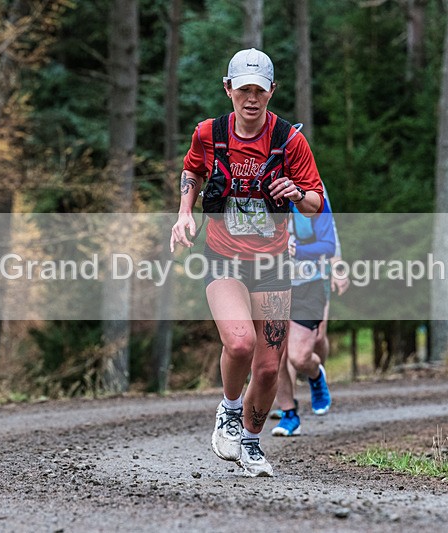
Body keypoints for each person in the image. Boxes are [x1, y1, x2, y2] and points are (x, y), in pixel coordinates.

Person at [170, 48, 324, 476]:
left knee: (270, 366)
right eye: (243, 90)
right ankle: (230, 411)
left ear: (272, 91)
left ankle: (251, 444)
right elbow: (193, 171)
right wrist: (184, 213)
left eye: (259, 90)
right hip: (223, 257)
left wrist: (295, 194)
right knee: (239, 343)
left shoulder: (289, 141)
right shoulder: (210, 133)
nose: (251, 98)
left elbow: (315, 203)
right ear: (229, 90)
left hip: (273, 263)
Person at [271, 193, 338, 436]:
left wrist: (297, 250)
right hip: (272, 283)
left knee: (299, 358)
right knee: (274, 353)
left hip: (310, 284)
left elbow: (329, 244)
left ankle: (315, 373)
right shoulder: (260, 195)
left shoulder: (311, 195)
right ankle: (289, 415)